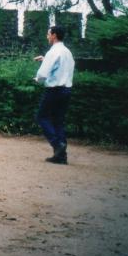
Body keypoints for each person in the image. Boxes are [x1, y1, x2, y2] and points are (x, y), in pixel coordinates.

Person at [34, 25, 75, 165]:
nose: (47, 36)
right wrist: (45, 59)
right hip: (66, 90)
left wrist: (37, 79)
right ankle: (61, 156)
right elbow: (62, 67)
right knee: (58, 121)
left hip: (54, 90)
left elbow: (43, 74)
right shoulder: (67, 52)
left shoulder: (53, 52)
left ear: (54, 35)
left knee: (42, 117)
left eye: (48, 34)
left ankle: (57, 144)